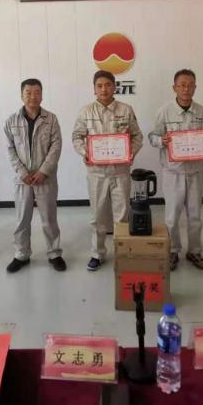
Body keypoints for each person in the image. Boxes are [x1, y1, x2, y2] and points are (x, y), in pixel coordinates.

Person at [72, 70, 143, 271]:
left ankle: (122, 253)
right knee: (98, 216)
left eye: (108, 85)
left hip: (120, 171)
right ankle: (97, 253)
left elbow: (137, 136)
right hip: (97, 172)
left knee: (122, 215)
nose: (104, 89)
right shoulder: (86, 112)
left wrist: (131, 152)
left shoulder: (126, 110)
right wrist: (85, 152)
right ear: (94, 89)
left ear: (115, 87)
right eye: (100, 86)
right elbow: (77, 137)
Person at [149, 69, 203, 271]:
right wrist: (162, 140)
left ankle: (195, 251)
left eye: (190, 85)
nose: (186, 89)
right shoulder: (164, 111)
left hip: (195, 172)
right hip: (173, 172)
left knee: (195, 215)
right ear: (174, 87)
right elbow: (152, 137)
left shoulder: (202, 112)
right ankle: (173, 250)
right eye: (182, 85)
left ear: (195, 87)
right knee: (171, 217)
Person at [3, 78, 66, 273]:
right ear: (21, 95)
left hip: (45, 178)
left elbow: (56, 147)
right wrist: (22, 172)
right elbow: (10, 150)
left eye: (37, 92)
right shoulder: (12, 121)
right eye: (28, 92)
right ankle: (21, 254)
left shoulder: (51, 119)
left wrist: (43, 171)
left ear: (42, 94)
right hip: (22, 180)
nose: (33, 96)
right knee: (22, 219)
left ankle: (54, 253)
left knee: (49, 218)